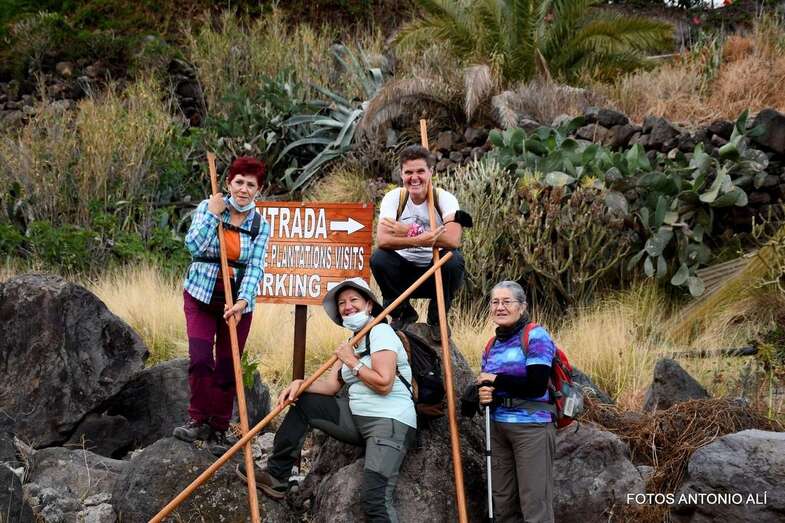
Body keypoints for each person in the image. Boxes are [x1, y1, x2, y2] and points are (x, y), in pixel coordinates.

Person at [238, 277, 416, 523]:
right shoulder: (352, 342)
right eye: (342, 303)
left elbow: (384, 383)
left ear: (369, 305)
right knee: (304, 403)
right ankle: (277, 475)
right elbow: (331, 387)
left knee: (374, 500)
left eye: (354, 300)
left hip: (389, 424)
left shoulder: (381, 332)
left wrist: (351, 361)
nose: (347, 306)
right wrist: (301, 384)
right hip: (357, 420)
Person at [173, 156, 270, 452]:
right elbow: (192, 245)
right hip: (201, 296)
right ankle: (198, 419)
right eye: (239, 182)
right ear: (228, 183)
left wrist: (242, 301)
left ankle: (218, 427)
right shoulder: (209, 207)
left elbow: (255, 267)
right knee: (201, 359)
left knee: (228, 366)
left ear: (258, 190)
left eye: (250, 185)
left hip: (236, 305)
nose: (243, 189)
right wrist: (213, 215)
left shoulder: (259, 224)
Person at [477, 281, 556, 523]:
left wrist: (496, 381)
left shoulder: (536, 336)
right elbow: (488, 385)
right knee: (502, 501)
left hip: (532, 428)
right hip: (497, 428)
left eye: (506, 302)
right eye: (495, 302)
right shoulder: (492, 344)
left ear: (522, 307)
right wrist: (482, 394)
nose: (499, 307)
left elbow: (536, 386)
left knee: (534, 501)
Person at [371, 145, 465, 341]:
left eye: (420, 171)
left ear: (431, 172)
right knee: (379, 259)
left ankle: (437, 319)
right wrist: (418, 240)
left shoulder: (445, 199)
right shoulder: (394, 198)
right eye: (409, 172)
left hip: (434, 273)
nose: (414, 178)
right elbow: (383, 240)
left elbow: (453, 239)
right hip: (402, 276)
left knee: (453, 259)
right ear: (401, 174)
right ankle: (402, 313)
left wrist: (410, 231)